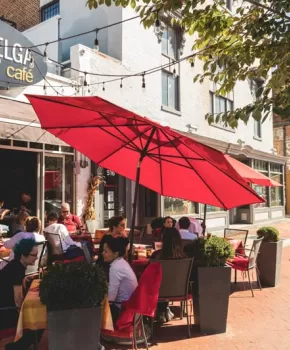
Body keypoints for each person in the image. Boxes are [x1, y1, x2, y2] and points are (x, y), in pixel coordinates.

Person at [0, 238, 39, 330]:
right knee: (37, 321)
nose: (36, 257)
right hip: (5, 313)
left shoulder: (15, 264)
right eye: (34, 255)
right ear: (23, 255)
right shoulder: (17, 270)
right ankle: (21, 343)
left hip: (5, 308)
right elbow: (18, 300)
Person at [151, 227, 185, 323]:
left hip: (159, 290)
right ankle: (164, 310)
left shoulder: (157, 256)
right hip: (180, 290)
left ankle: (161, 310)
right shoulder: (185, 257)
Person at [102, 235, 138, 322]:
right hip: (129, 305)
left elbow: (111, 297)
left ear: (115, 254)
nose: (102, 253)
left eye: (106, 251)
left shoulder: (116, 267)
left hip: (122, 309)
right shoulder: (121, 263)